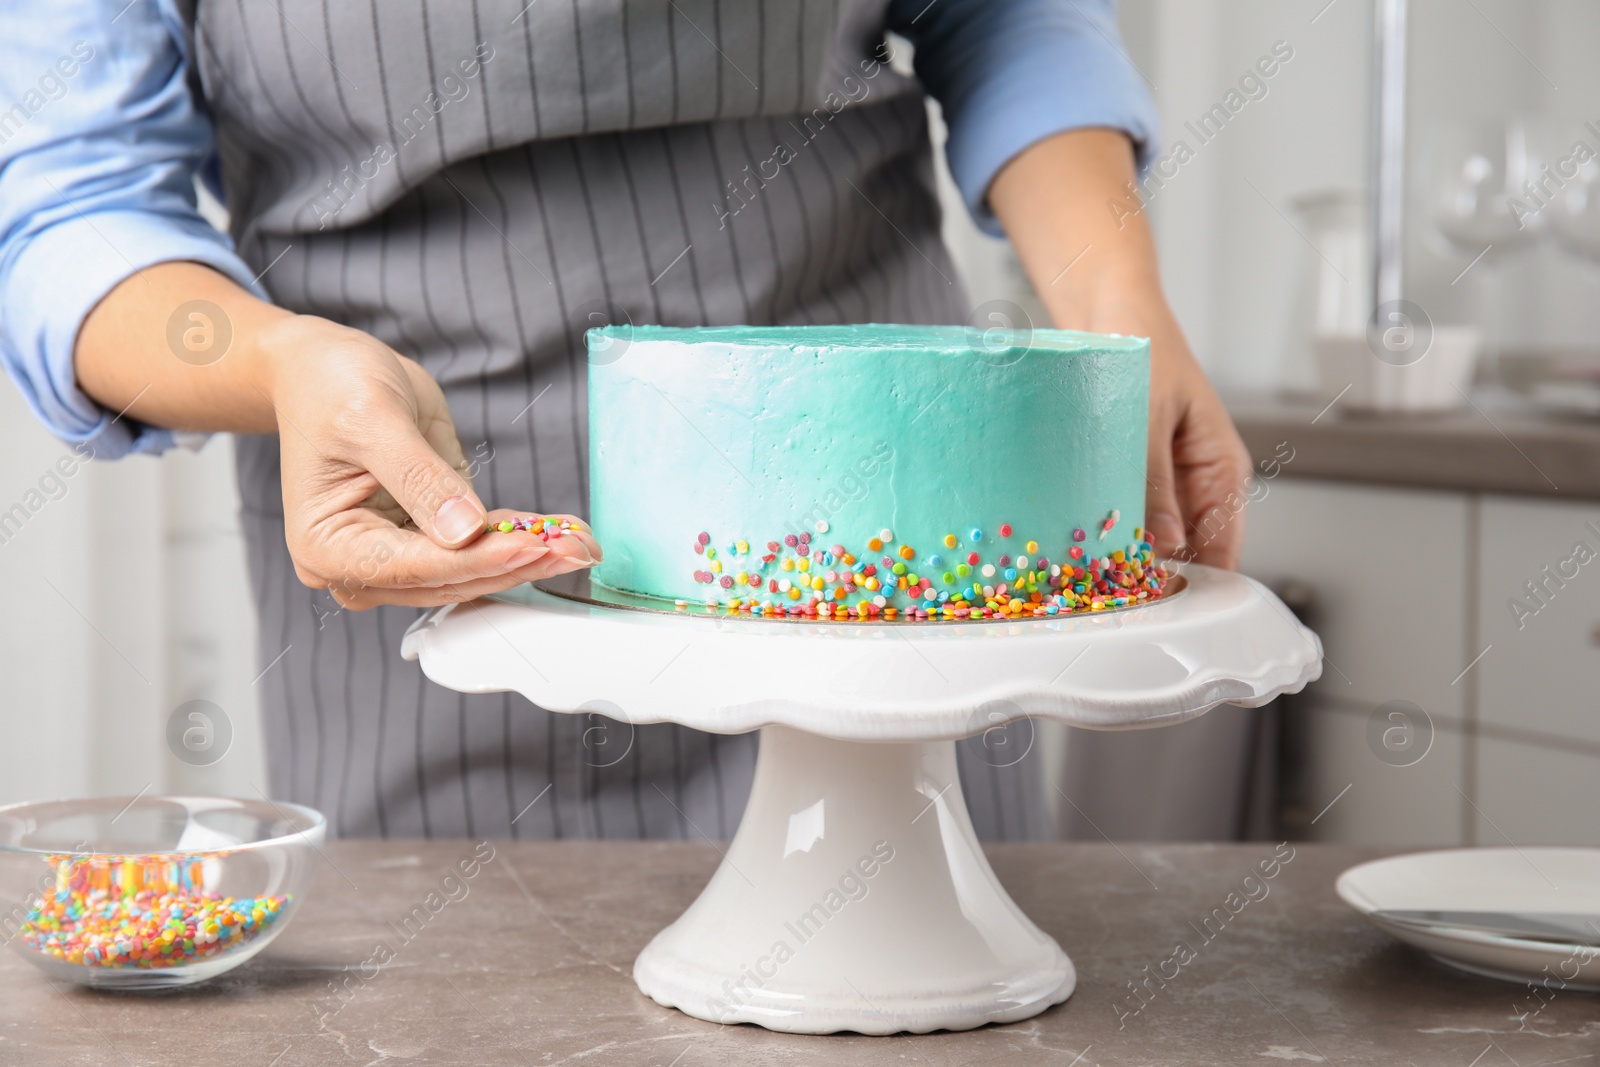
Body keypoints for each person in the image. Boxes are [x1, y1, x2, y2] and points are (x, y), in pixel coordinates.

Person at [0, 0, 1251, 840]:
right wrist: (280, 362)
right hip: (431, 523)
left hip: (879, 523)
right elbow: (68, 201)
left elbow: (1000, 11)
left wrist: (1117, 300)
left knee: (902, 959)